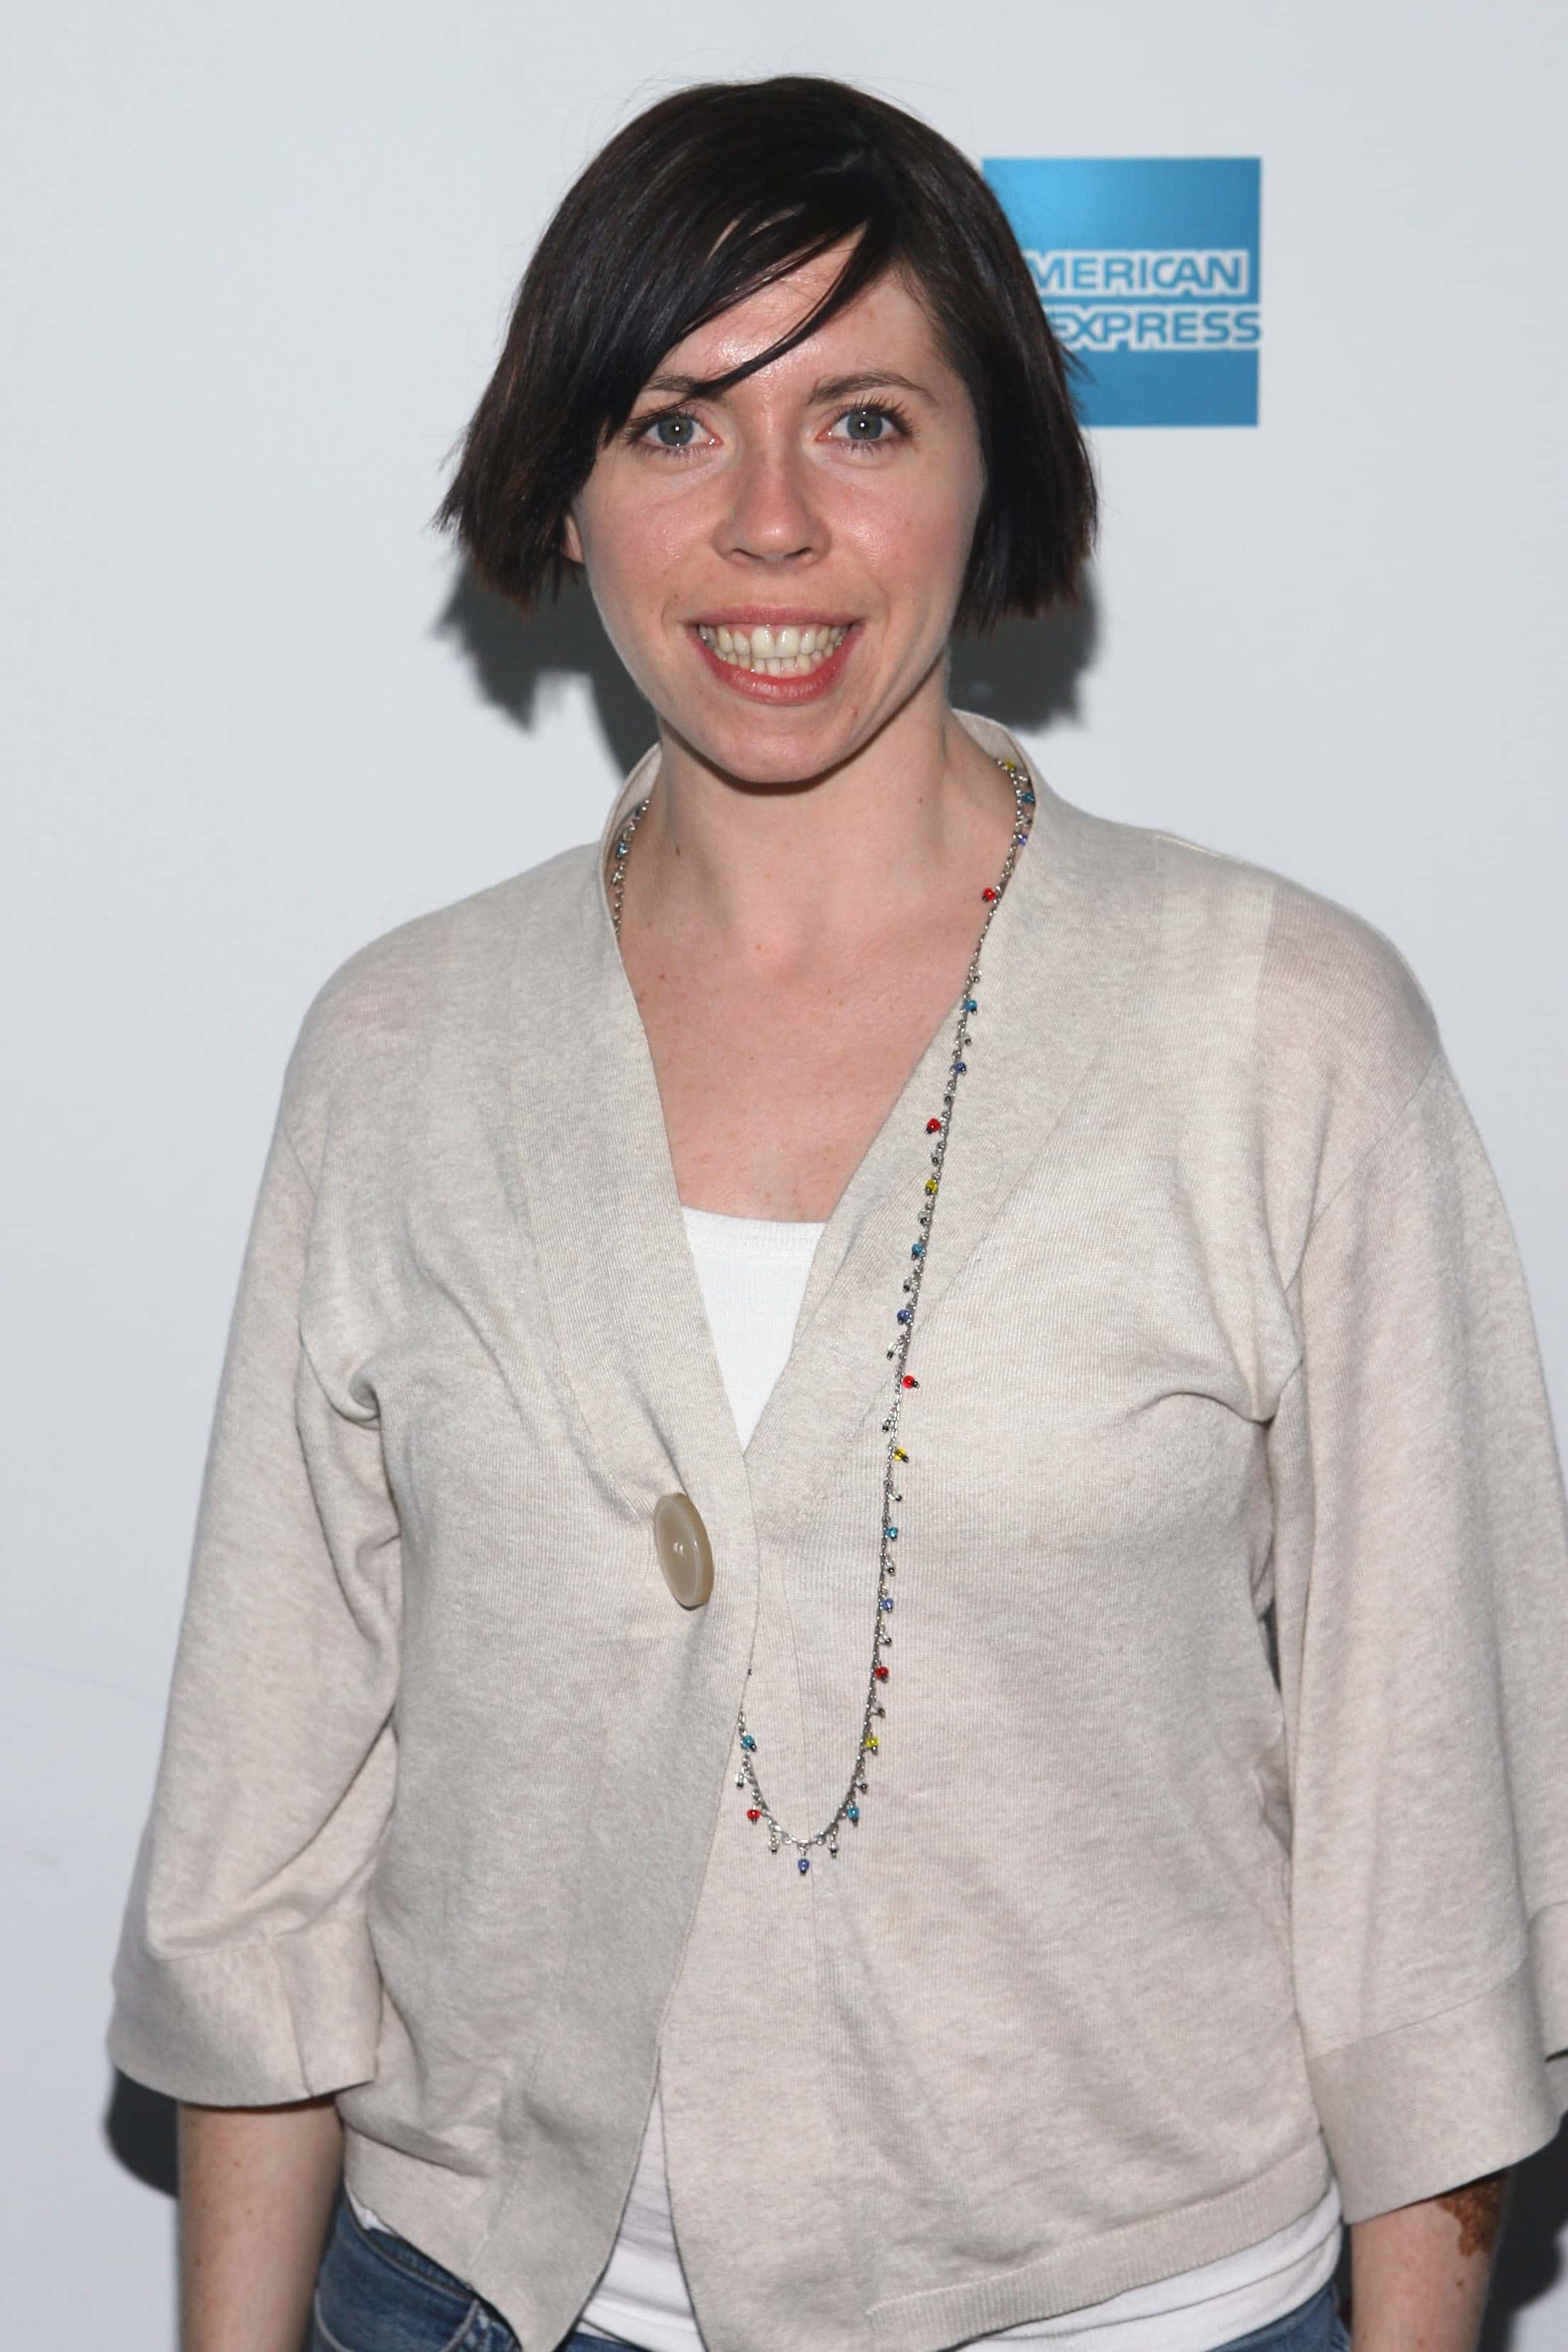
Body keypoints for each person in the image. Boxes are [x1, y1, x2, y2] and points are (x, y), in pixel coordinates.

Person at [107, 74, 1568, 2352]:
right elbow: (265, 1838)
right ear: (569, 486)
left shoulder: (1283, 1034)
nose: (770, 520)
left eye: (864, 420)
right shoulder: (398, 1052)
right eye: (678, 423)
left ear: (994, 475)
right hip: (472, 2297)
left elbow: (1435, 1853)